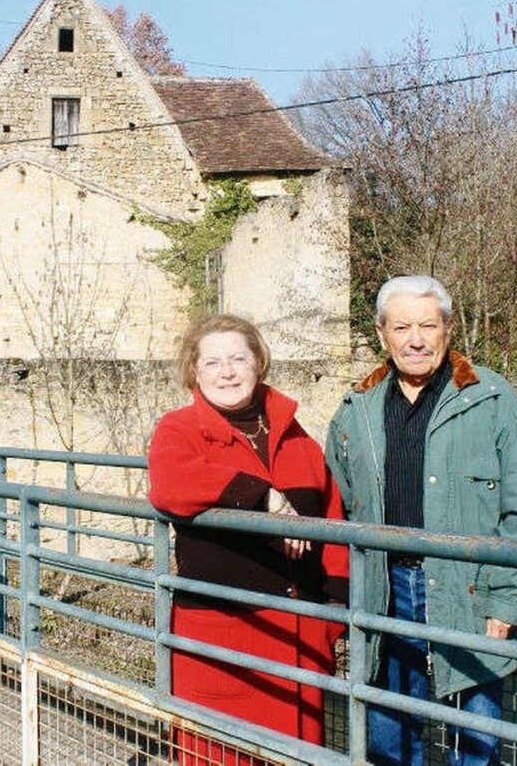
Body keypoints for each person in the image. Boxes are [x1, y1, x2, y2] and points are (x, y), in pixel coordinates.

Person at [325, 275, 517, 766]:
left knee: (474, 731)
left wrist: (508, 601)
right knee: (390, 727)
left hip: (470, 587)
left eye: (428, 325)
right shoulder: (357, 408)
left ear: (448, 330)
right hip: (386, 589)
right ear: (382, 332)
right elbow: (336, 501)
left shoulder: (491, 399)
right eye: (402, 326)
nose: (416, 339)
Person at [148, 314, 348, 762]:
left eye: (239, 358)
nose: (227, 372)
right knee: (215, 754)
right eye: (213, 362)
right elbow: (170, 482)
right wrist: (264, 499)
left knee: (295, 756)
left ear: (259, 363)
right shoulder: (179, 431)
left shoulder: (298, 439)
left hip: (298, 638)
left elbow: (334, 524)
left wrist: (332, 615)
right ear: (194, 372)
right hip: (222, 637)